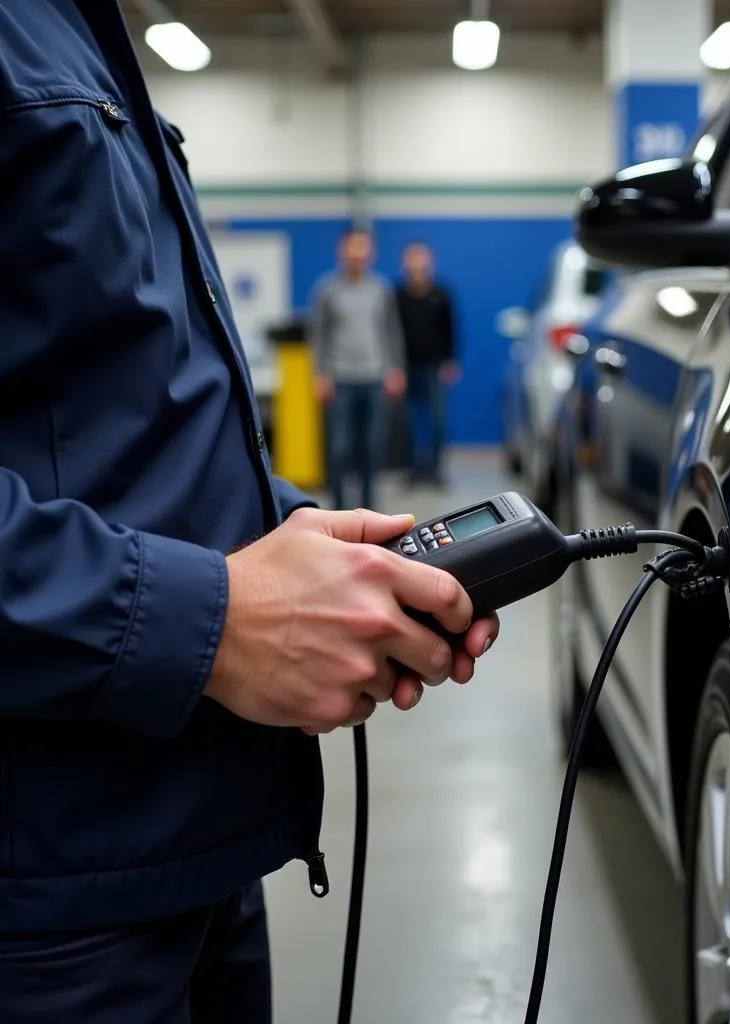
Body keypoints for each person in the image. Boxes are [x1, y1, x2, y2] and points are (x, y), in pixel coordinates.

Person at [0, 5, 499, 1022]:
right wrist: (215, 619)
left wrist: (300, 539)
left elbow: (116, 413)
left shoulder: (76, 30)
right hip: (48, 889)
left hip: (192, 843)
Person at [311, 229, 407, 510]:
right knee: (340, 448)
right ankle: (340, 510)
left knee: (371, 447)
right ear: (342, 251)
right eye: (351, 248)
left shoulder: (381, 289)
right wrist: (320, 374)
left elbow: (391, 331)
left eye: (362, 248)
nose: (357, 254)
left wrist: (395, 368)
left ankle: (367, 510)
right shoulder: (327, 289)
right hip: (340, 380)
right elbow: (318, 335)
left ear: (370, 254)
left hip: (374, 378)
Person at [395, 242, 461, 485]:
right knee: (411, 422)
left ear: (429, 263)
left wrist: (451, 361)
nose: (416, 266)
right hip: (407, 367)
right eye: (411, 260)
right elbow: (392, 333)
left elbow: (451, 329)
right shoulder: (397, 295)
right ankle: (414, 471)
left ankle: (435, 470)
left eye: (420, 259)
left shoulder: (441, 294)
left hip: (435, 367)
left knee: (437, 420)